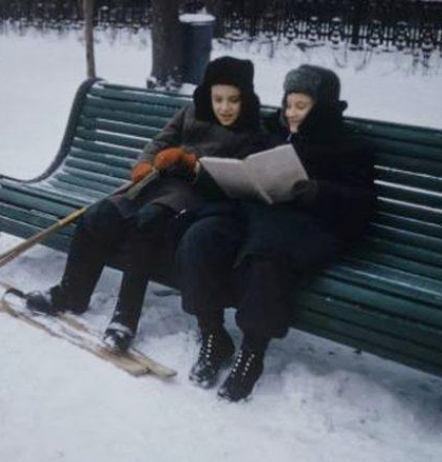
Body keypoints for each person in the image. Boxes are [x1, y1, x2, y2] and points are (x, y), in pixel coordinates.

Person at [20, 56, 264, 351]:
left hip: (196, 195)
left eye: (233, 100)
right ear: (208, 94)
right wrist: (145, 164)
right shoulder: (192, 110)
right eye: (218, 99)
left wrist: (192, 163)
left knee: (146, 223)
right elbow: (160, 140)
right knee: (98, 214)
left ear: (245, 99)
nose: (224, 107)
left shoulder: (252, 132)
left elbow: (235, 179)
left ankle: (125, 318)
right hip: (156, 183)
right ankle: (72, 293)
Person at [176, 64, 377, 401]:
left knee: (268, 255)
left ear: (322, 106)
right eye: (288, 105)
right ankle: (212, 334)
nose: (292, 114)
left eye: (302, 106)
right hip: (257, 210)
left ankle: (252, 353)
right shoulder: (269, 130)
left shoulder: (346, 145)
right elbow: (243, 169)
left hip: (310, 225)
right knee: (202, 237)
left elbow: (363, 205)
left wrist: (318, 191)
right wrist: (223, 176)